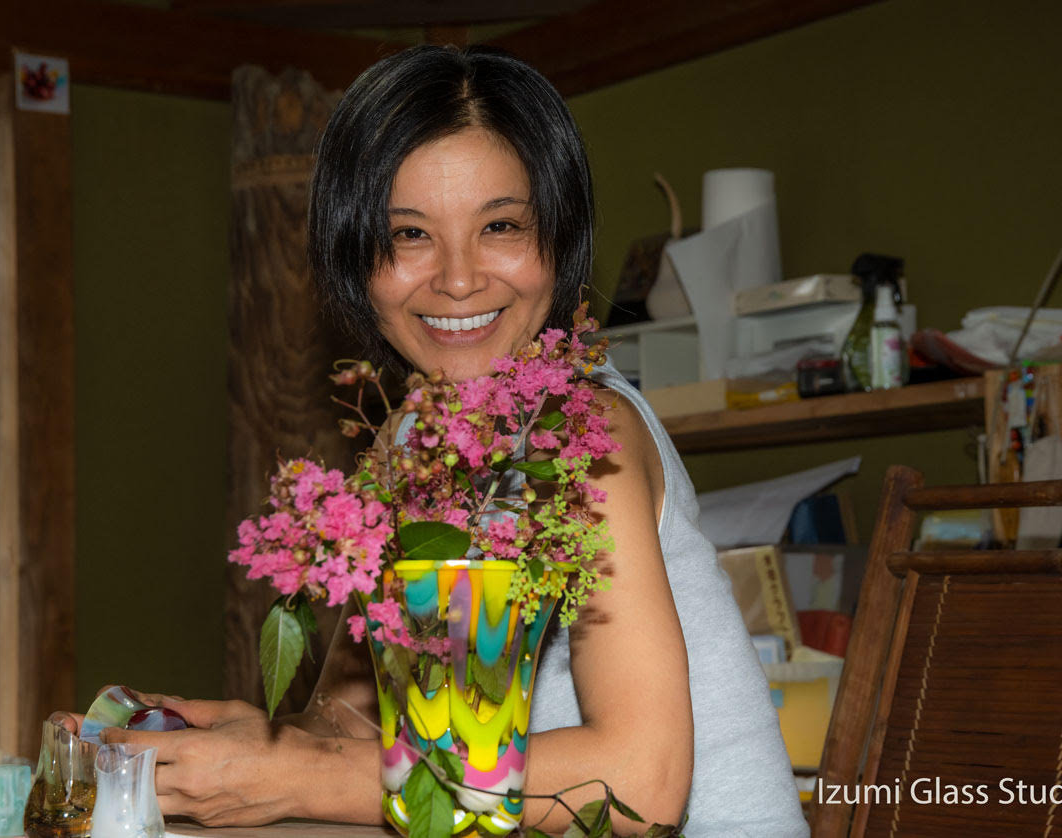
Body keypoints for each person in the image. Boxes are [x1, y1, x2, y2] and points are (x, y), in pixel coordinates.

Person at [63, 45, 808, 837]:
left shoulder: (584, 433)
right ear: (354, 258)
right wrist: (259, 743)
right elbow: (355, 723)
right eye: (409, 234)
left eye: (501, 226)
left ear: (559, 239)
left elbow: (640, 782)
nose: (457, 279)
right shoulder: (409, 440)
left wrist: (297, 776)